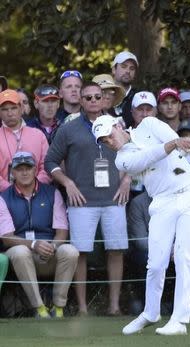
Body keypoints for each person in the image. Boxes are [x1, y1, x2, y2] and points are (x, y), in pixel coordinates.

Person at [91, 114, 190, 335]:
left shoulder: (149, 124)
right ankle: (151, 313)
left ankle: (179, 321)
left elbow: (179, 147)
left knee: (184, 257)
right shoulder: (121, 160)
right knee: (155, 264)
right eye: (104, 141)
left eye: (109, 135)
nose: (109, 142)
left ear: (118, 125)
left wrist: (185, 145)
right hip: (161, 202)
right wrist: (175, 144)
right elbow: (147, 157)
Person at [44, 82, 129, 316]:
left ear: (104, 100)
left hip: (114, 199)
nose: (93, 101)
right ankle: (82, 308)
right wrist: (67, 183)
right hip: (82, 201)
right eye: (88, 97)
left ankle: (114, 306)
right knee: (80, 252)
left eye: (97, 97)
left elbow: (134, 153)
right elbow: (50, 161)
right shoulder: (68, 129)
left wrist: (127, 179)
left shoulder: (116, 124)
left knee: (116, 250)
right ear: (80, 101)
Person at [0, 152, 79, 318]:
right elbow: (7, 237)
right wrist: (34, 244)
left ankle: (58, 308)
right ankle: (40, 309)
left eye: (28, 168)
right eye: (19, 169)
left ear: (35, 170)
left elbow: (62, 231)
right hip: (21, 257)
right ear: (12, 173)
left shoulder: (52, 193)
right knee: (20, 252)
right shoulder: (3, 198)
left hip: (48, 254)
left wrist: (52, 246)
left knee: (70, 251)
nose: (24, 172)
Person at [0, 89, 51, 192]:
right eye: (5, 109)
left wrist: (35, 186)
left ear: (21, 108)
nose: (10, 113)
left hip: (38, 194)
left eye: (14, 108)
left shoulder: (38, 135)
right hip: (4, 197)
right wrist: (12, 190)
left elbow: (47, 165)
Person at [111, 51, 139, 128]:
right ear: (114, 69)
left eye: (132, 68)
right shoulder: (102, 95)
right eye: (124, 66)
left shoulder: (139, 97)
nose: (128, 71)